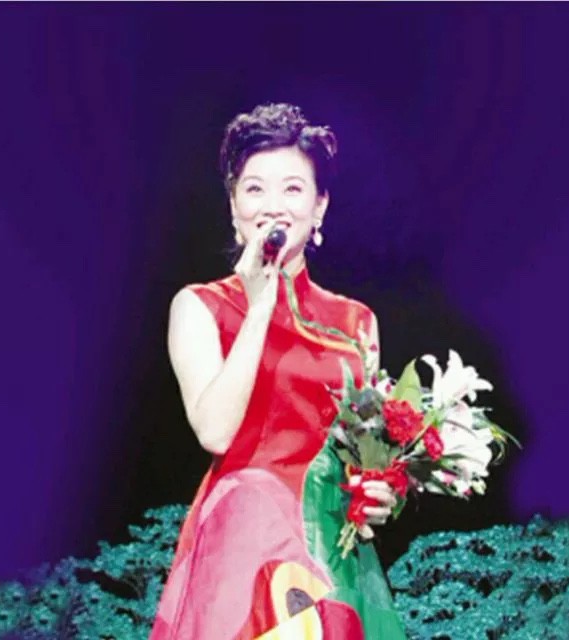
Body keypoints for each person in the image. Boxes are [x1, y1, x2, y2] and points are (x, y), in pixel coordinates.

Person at [150, 103, 406, 639]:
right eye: (254, 189)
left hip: (331, 555)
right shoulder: (201, 307)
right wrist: (260, 302)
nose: (273, 207)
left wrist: (382, 494)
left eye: (292, 189)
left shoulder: (356, 322)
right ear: (234, 205)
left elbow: (363, 457)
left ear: (320, 206)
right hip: (243, 548)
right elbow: (215, 431)